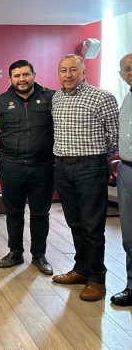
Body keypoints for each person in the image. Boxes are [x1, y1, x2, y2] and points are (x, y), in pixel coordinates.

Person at [51, 54, 118, 302]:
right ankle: (81, 269)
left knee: (92, 226)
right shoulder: (56, 98)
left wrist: (94, 158)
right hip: (62, 167)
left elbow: (115, 136)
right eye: (63, 70)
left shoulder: (102, 97)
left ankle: (97, 278)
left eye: (73, 70)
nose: (68, 74)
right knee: (75, 223)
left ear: (84, 72)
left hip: (90, 167)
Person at [0, 60, 55, 275]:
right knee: (14, 212)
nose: (22, 79)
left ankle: (39, 255)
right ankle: (15, 253)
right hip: (12, 167)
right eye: (16, 76)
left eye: (25, 74)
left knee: (40, 213)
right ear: (10, 79)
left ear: (34, 75)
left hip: (43, 167)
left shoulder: (51, 97)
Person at [113, 52, 132, 306]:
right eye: (126, 69)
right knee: (129, 235)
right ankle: (131, 285)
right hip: (126, 170)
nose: (131, 72)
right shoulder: (127, 98)